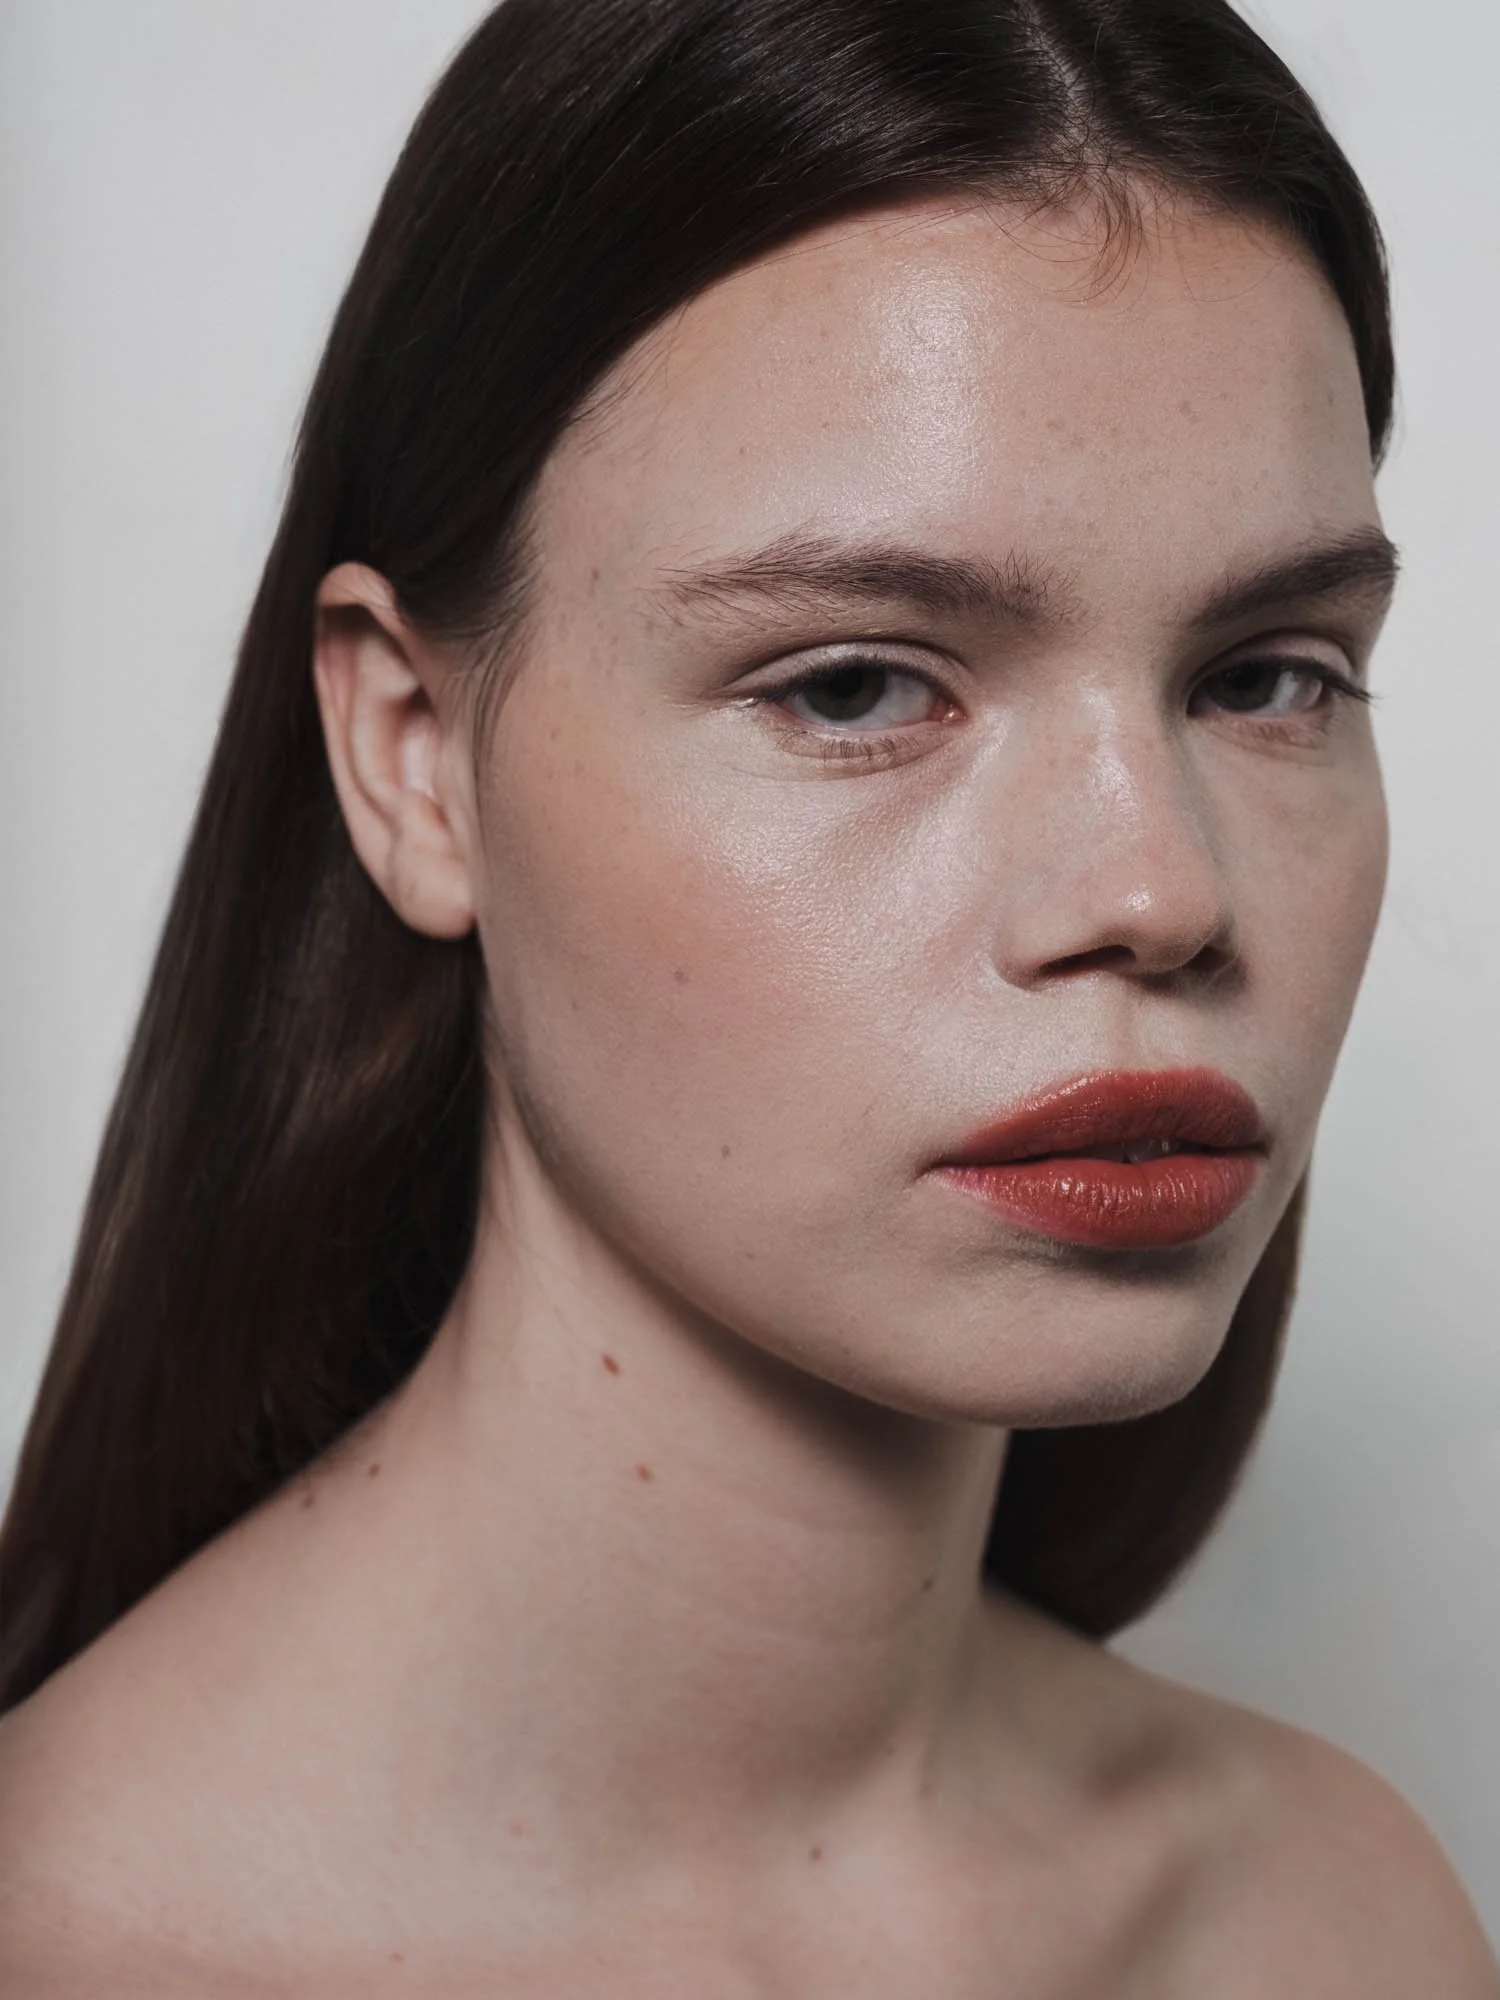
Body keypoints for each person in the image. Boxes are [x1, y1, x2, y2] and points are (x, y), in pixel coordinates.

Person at [0, 0, 1495, 1990]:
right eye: (859, 683)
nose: (1161, 888)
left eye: (1268, 672)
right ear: (412, 758)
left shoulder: (1338, 1919)